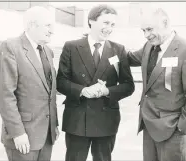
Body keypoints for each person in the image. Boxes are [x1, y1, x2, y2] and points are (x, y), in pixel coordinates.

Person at [127, 6, 186, 161]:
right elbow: (129, 57)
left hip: (175, 130)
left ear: (165, 23)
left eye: (149, 29)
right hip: (149, 125)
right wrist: (104, 43)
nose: (146, 35)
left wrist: (182, 126)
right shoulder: (148, 47)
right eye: (143, 30)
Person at [56, 4, 134, 161]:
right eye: (105, 23)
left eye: (112, 24)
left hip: (106, 120)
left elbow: (128, 85)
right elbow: (61, 82)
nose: (109, 28)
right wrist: (83, 90)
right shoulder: (71, 47)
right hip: (77, 120)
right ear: (91, 21)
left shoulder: (119, 50)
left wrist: (107, 91)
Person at [0, 6, 59, 161]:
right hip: (23, 136)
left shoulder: (48, 51)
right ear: (32, 25)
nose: (52, 31)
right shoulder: (11, 47)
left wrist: (54, 124)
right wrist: (17, 133)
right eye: (48, 26)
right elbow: (5, 95)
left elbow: (49, 91)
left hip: (47, 135)